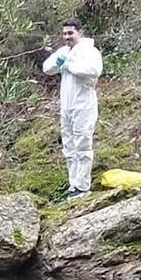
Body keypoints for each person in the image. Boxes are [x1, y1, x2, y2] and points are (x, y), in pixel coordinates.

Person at [41, 18, 103, 198]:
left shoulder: (90, 51)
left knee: (82, 144)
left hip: (83, 105)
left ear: (79, 32)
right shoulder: (63, 51)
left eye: (70, 33)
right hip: (66, 105)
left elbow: (94, 70)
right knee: (69, 146)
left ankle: (83, 186)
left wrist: (71, 66)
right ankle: (73, 184)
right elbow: (47, 68)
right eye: (65, 33)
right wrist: (59, 62)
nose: (67, 37)